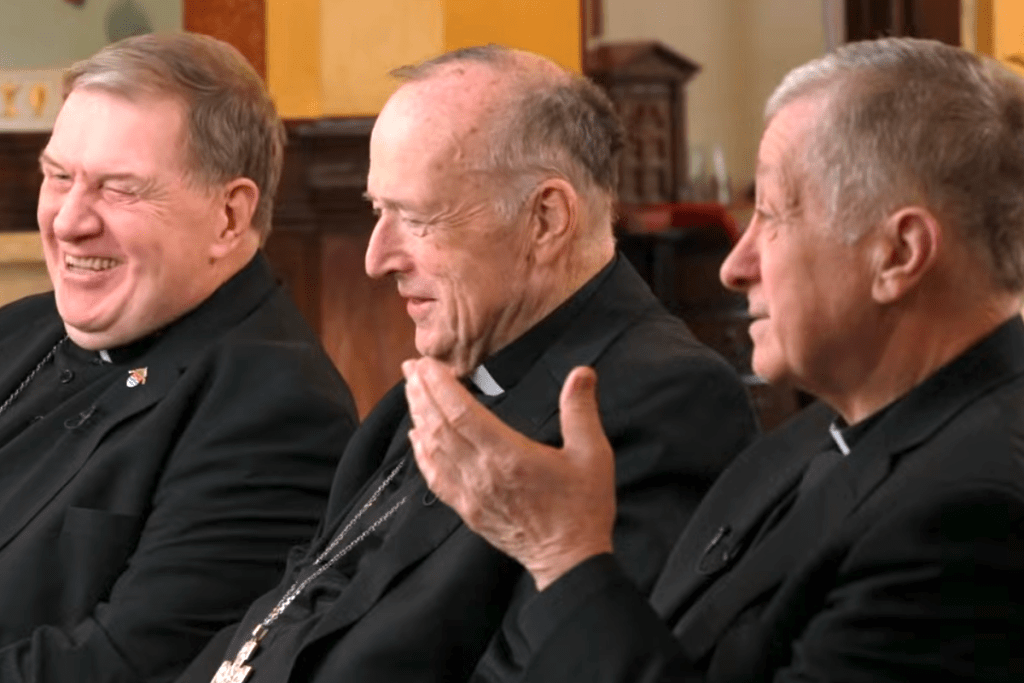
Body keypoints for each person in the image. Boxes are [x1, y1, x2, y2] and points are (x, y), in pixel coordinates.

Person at [404, 36, 1024, 682]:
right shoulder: (808, 437)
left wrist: (561, 553)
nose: (734, 266)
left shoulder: (971, 517)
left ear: (898, 253)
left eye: (771, 216)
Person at [176, 45, 757, 683]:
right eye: (377, 212)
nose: (376, 259)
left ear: (546, 219)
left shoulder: (663, 401)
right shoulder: (435, 386)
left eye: (417, 218)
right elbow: (292, 609)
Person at [0, 33, 359, 683]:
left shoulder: (276, 410)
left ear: (229, 216)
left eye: (120, 189)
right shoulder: (21, 328)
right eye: (59, 177)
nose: (69, 221)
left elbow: (127, 666)